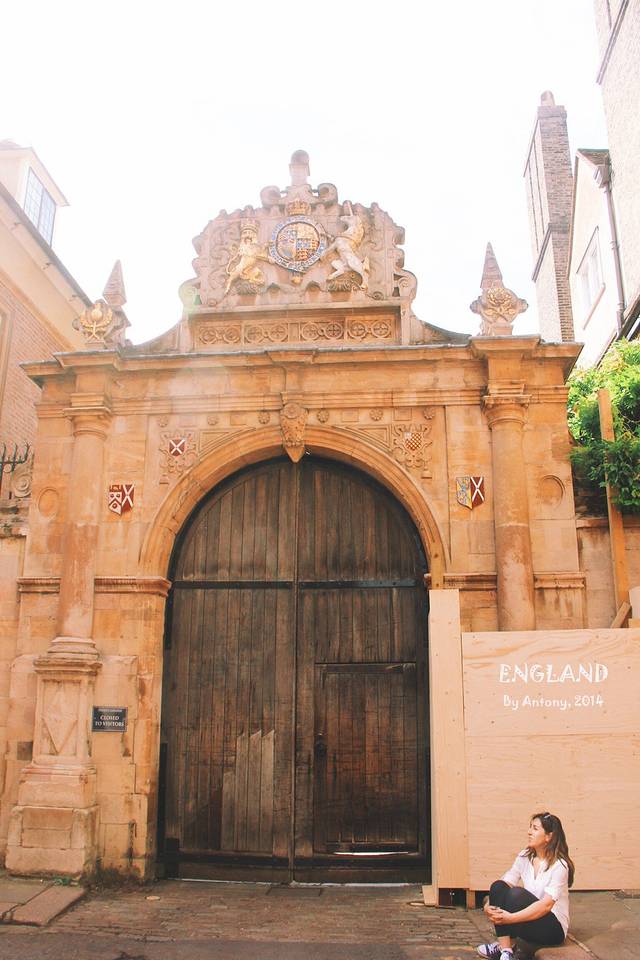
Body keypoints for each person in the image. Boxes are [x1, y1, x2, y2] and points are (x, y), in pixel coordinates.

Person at [476, 811, 575, 960]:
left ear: (549, 836)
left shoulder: (560, 866)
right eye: (530, 827)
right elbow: (506, 883)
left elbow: (546, 906)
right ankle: (506, 950)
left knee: (516, 894)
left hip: (553, 929)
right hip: (527, 920)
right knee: (498, 886)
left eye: (535, 828)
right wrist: (487, 906)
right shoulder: (525, 856)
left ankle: (507, 947)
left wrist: (510, 918)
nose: (529, 832)